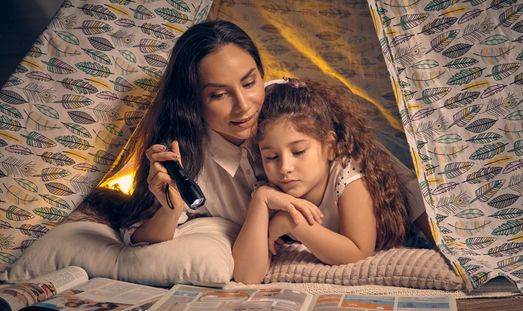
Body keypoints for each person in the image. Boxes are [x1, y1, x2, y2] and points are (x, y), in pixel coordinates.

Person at [85, 20, 431, 273]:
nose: (245, 105)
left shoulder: (285, 106)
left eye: (250, 82)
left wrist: (445, 235)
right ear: (193, 101)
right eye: (219, 95)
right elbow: (143, 237)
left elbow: (379, 167)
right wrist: (171, 208)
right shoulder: (186, 157)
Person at [232, 78, 415, 284]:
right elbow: (246, 276)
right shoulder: (272, 191)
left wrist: (293, 224)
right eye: (272, 157)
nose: (284, 168)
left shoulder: (348, 177)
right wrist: (261, 198)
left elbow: (358, 251)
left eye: (298, 151)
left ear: (330, 146)